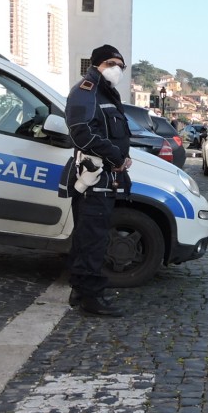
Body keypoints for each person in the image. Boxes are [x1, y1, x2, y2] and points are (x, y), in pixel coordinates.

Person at [64, 44, 133, 317]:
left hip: (105, 179)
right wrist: (116, 156)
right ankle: (91, 298)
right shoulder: (86, 91)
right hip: (94, 179)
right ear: (98, 64)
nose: (118, 69)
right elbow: (82, 133)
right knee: (93, 241)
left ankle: (80, 290)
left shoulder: (105, 92)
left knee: (88, 238)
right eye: (113, 63)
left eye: (122, 65)